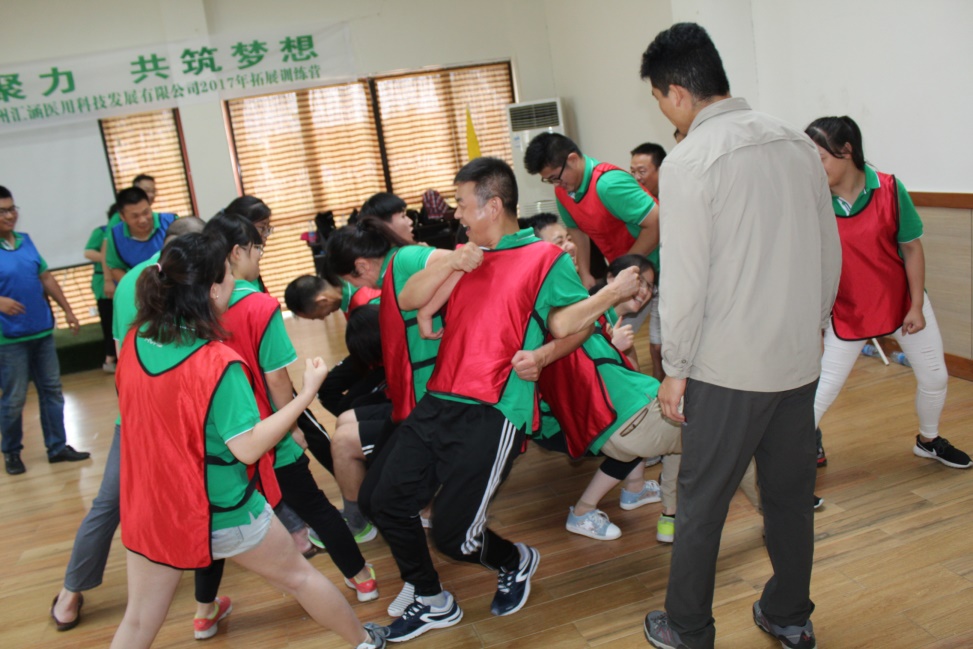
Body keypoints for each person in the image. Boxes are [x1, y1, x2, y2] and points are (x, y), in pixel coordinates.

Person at [356, 157, 641, 642]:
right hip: (440, 398)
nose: (456, 214)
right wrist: (452, 260)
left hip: (495, 409)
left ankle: (515, 561)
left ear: (492, 206)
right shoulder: (469, 255)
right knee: (383, 501)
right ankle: (432, 600)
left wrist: (545, 355)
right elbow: (407, 300)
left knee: (454, 537)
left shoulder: (545, 258)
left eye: (462, 204)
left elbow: (575, 322)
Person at [638, 23, 842, 649]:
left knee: (702, 502)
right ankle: (789, 613)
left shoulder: (689, 161)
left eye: (658, 99)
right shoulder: (796, 143)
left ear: (676, 93)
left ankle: (688, 628)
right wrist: (811, 327)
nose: (663, 109)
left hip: (727, 370)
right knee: (789, 497)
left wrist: (674, 368)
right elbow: (829, 253)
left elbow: (686, 280)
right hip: (797, 360)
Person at [108, 232, 387, 649]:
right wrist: (308, 392)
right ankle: (365, 640)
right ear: (213, 289)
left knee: (137, 621)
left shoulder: (135, 338)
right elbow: (248, 447)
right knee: (300, 577)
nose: (234, 281)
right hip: (218, 507)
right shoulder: (216, 362)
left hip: (151, 505)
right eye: (227, 274)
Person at [51, 218, 236, 639]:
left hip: (146, 415)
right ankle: (72, 591)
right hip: (154, 418)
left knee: (119, 502)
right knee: (117, 501)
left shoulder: (144, 279)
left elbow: (126, 357)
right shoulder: (152, 282)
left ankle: (74, 595)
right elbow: (130, 356)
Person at [205, 212, 380, 602]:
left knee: (212, 520)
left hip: (218, 435)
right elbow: (276, 378)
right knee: (316, 506)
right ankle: (362, 579)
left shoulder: (194, 302)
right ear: (237, 252)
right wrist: (293, 427)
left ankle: (203, 613)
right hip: (267, 430)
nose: (260, 257)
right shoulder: (258, 305)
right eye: (258, 249)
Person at [806, 116, 971, 470]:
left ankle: (929, 441)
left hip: (902, 304)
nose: (814, 168)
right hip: (848, 311)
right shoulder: (813, 200)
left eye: (820, 158)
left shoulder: (891, 189)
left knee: (935, 378)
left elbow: (911, 248)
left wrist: (917, 306)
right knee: (820, 393)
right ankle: (794, 459)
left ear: (846, 150)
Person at [0, 186, 89, 475]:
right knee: (14, 398)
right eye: (2, 211)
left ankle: (57, 447)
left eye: (12, 209)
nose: (9, 216)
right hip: (8, 339)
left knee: (52, 391)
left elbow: (46, 277)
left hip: (40, 331)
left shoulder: (25, 240)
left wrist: (68, 310)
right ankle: (12, 452)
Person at [523, 132, 659, 289]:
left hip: (658, 266)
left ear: (573, 160)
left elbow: (657, 222)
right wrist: (585, 274)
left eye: (555, 177)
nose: (556, 184)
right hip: (630, 271)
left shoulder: (608, 185)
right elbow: (576, 230)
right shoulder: (563, 191)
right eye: (549, 180)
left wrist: (625, 266)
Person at [630, 143, 668, 382]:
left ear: (661, 169)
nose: (636, 178)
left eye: (642, 171)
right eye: (632, 171)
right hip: (650, 278)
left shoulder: (676, 198)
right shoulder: (636, 203)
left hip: (671, 282)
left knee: (658, 347)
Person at [105, 186, 177, 283]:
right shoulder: (115, 236)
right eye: (135, 216)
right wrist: (135, 286)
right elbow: (115, 267)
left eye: (146, 212)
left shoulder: (171, 222)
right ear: (122, 217)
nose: (143, 220)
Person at [83, 209, 118, 372]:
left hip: (119, 279)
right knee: (109, 321)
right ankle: (109, 358)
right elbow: (88, 252)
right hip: (103, 282)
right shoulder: (102, 232)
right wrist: (108, 258)